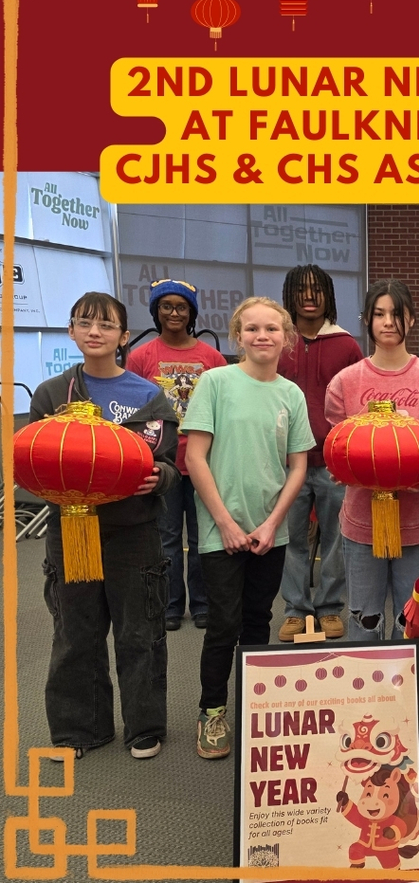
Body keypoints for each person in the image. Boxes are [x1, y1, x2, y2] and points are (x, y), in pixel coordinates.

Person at [31, 292, 179, 761]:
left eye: (106, 325)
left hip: (134, 531)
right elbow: (33, 463)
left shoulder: (148, 395)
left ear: (124, 336)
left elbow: (169, 462)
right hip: (71, 530)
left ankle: (144, 726)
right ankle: (80, 729)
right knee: (76, 631)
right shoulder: (53, 395)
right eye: (85, 323)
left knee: (140, 632)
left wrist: (161, 478)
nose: (95, 332)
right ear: (72, 332)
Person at [183, 297, 315, 760]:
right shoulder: (215, 382)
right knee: (223, 623)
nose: (263, 336)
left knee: (260, 622)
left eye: (272, 329)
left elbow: (297, 466)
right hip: (222, 531)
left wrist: (271, 522)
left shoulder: (291, 395)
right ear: (237, 335)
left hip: (269, 532)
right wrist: (226, 522)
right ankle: (212, 711)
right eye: (252, 328)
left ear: (286, 337)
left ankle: (256, 708)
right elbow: (194, 457)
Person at [324, 280, 419, 690]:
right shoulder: (346, 382)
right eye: (378, 314)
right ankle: (365, 698)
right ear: (366, 320)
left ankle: (414, 703)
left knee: (413, 617)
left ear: (410, 319)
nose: (387, 322)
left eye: (395, 314)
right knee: (364, 616)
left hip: (418, 523)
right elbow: (337, 444)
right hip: (361, 522)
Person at [127, 279, 226, 632]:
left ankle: (202, 604)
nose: (173, 313)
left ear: (192, 313)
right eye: (166, 306)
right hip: (162, 464)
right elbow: (133, 413)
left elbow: (222, 411)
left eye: (181, 307)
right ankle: (170, 605)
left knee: (203, 540)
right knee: (167, 539)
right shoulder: (140, 357)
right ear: (156, 310)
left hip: (203, 463)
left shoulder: (211, 358)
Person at [276, 265, 363, 642]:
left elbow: (357, 405)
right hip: (284, 462)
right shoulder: (278, 341)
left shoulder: (347, 345)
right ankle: (295, 609)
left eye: (317, 290)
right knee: (290, 539)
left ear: (329, 295)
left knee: (335, 538)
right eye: (301, 289)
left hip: (332, 464)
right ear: (290, 295)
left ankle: (329, 607)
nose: (309, 296)